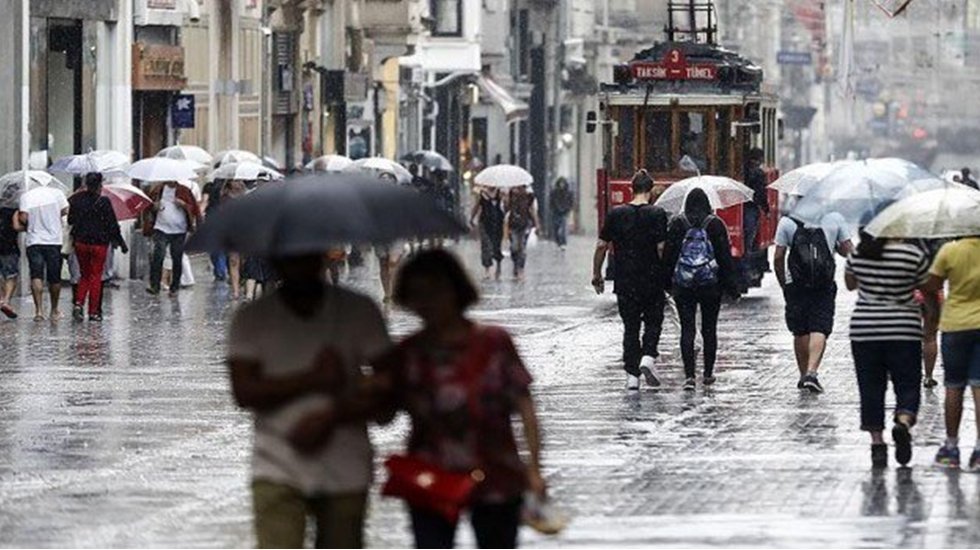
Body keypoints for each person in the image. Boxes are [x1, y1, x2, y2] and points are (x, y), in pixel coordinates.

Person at [374, 250, 546, 549]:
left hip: (496, 473)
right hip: (430, 475)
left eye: (435, 292)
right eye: (417, 294)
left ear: (455, 290)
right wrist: (375, 385)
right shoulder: (408, 353)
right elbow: (384, 415)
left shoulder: (495, 343)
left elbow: (525, 408)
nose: (427, 302)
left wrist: (534, 469)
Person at [227, 253, 391, 548]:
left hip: (346, 470)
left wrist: (332, 415)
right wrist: (312, 379)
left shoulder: (358, 311)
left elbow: (391, 394)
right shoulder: (253, 318)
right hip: (276, 468)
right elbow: (244, 392)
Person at [844, 230, 932, 468]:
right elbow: (927, 287)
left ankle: (877, 444)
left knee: (870, 386)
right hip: (904, 329)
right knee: (907, 382)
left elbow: (850, 285)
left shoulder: (859, 254)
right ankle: (903, 421)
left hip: (865, 331)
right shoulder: (912, 255)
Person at [592, 170, 669, 390]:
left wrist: (597, 275)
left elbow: (601, 246)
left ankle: (632, 377)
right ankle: (648, 356)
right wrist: (666, 274)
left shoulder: (616, 214)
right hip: (651, 279)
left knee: (630, 327)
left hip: (625, 281)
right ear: (650, 190)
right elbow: (661, 248)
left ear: (630, 189)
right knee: (654, 321)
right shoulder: (657, 214)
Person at [663, 188, 737, 391]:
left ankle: (689, 376)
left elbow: (669, 256)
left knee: (687, 329)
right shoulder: (715, 224)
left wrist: (666, 283)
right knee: (709, 329)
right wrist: (732, 286)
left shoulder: (677, 223)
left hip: (683, 284)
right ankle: (708, 374)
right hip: (710, 285)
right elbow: (724, 257)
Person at [774, 206, 853, 393]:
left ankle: (803, 375)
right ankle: (812, 372)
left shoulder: (787, 222)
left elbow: (778, 256)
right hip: (824, 283)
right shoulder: (834, 218)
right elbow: (848, 250)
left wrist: (784, 283)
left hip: (796, 284)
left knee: (800, 330)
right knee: (820, 327)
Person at [922, 235, 980, 470]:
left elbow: (931, 286)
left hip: (955, 326)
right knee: (979, 387)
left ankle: (951, 448)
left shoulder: (950, 251)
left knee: (953, 387)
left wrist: (934, 313)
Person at [67, 173, 127, 322]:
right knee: (96, 276)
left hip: (81, 242)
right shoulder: (104, 202)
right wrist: (121, 242)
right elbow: (112, 225)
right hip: (99, 244)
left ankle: (79, 303)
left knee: (84, 275)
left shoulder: (76, 199)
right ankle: (93, 312)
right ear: (100, 185)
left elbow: (70, 220)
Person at [15, 184, 69, 321]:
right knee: (54, 277)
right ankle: (54, 310)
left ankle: (38, 311)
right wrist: (52, 214)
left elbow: (23, 218)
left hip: (34, 241)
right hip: (54, 241)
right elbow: (66, 210)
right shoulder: (57, 193)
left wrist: (34, 221)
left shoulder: (27, 196)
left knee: (36, 275)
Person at [144, 180, 200, 297]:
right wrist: (154, 207)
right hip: (161, 228)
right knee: (158, 256)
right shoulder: (158, 190)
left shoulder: (184, 190)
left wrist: (184, 205)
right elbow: (148, 205)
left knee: (177, 258)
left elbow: (194, 208)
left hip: (179, 230)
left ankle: (174, 287)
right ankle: (155, 285)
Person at [504, 186, 540, 281]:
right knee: (514, 247)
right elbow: (506, 208)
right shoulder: (511, 194)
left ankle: (521, 269)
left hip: (525, 225)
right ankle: (515, 265)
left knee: (522, 248)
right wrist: (507, 199)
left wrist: (537, 224)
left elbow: (532, 210)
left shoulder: (529, 196)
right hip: (513, 225)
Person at [469, 186, 505, 280]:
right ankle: (487, 270)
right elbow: (476, 207)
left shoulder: (500, 193)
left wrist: (504, 199)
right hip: (484, 222)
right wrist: (472, 218)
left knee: (497, 245)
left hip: (497, 223)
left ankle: (498, 266)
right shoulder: (482, 195)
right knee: (486, 245)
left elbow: (505, 207)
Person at [202, 178, 229, 281]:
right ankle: (221, 271)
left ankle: (220, 271)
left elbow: (205, 201)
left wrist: (199, 214)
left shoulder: (208, 186)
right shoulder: (229, 187)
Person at [743, 147, 769, 253]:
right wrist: (766, 209)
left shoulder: (743, 170)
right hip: (752, 206)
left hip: (743, 204)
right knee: (750, 233)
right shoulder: (759, 174)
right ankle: (748, 254)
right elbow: (761, 193)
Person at [0, 205, 19, 319]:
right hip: (9, 245)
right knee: (11, 276)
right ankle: (6, 301)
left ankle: (1, 299)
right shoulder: (13, 210)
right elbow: (17, 226)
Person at [549, 177, 574, 250]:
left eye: (563, 183)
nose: (562, 185)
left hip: (564, 213)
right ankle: (558, 242)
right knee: (556, 228)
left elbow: (571, 202)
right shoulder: (554, 192)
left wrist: (568, 209)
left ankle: (563, 243)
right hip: (556, 212)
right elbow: (551, 202)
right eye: (560, 183)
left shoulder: (568, 193)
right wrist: (553, 209)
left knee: (563, 229)